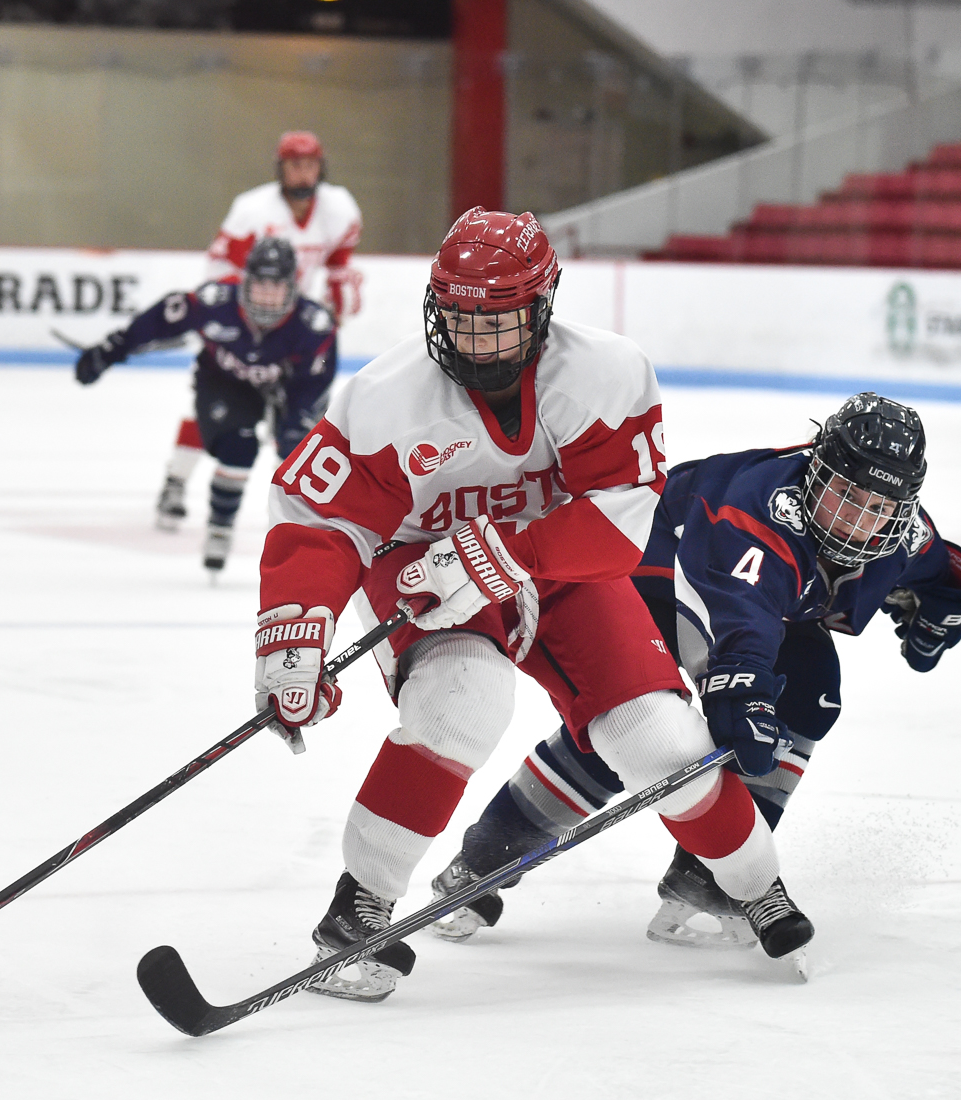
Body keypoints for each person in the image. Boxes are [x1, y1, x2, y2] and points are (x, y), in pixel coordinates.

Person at [252, 207, 813, 1002]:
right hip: (426, 569)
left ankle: (756, 883)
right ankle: (357, 909)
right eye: (461, 320)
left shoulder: (606, 374)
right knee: (461, 703)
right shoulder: (383, 399)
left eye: (499, 322)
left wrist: (502, 553)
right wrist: (293, 632)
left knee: (662, 739)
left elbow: (620, 524)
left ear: (543, 305)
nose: (476, 341)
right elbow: (319, 518)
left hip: (564, 571)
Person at [428, 392, 961, 951]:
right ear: (818, 471)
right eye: (845, 494)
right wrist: (743, 690)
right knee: (627, 718)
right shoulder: (760, 512)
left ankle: (705, 876)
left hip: (761, 604)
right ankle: (483, 862)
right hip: (657, 560)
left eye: (876, 506)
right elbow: (745, 628)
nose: (855, 519)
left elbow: (947, 567)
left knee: (810, 694)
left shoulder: (903, 534)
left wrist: (959, 591)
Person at [74, 237, 337, 574]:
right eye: (260, 286)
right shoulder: (215, 302)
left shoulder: (314, 326)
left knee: (298, 455)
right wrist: (110, 350)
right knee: (238, 447)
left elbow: (314, 384)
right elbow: (163, 317)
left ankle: (309, 537)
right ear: (245, 282)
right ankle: (220, 525)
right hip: (223, 382)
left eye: (276, 287)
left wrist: (295, 425)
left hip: (283, 389)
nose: (267, 297)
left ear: (292, 288)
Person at [155, 131, 363, 533]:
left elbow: (338, 261)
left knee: (304, 417)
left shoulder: (338, 208)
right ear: (280, 168)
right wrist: (233, 325)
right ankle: (176, 483)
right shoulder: (251, 211)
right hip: (248, 324)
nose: (302, 173)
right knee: (222, 408)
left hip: (295, 334)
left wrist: (336, 301)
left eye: (310, 165)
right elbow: (221, 272)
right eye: (294, 165)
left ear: (321, 167)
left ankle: (305, 508)